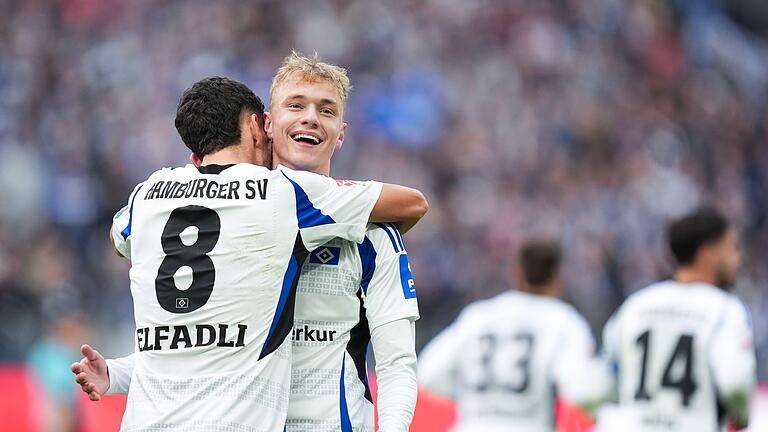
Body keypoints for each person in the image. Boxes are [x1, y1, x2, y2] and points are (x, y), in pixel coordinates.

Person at [74, 52, 422, 432]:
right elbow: (210, 346)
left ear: (341, 133)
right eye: (296, 105)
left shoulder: (374, 235)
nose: (310, 117)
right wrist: (121, 373)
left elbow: (396, 364)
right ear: (265, 126)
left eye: (326, 110)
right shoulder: (242, 213)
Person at [418, 239, 607, 432]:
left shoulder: (478, 316)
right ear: (557, 277)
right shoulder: (563, 321)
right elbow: (582, 388)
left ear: (517, 274)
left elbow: (429, 373)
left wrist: (471, 395)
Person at [601, 208, 756, 432]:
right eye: (731, 248)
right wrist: (742, 415)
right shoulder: (725, 310)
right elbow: (734, 383)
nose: (738, 259)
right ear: (707, 254)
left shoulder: (636, 305)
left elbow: (604, 373)